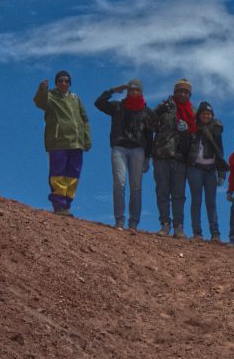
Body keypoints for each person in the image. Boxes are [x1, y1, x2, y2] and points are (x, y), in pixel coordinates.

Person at [95, 79, 154, 231]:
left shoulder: (147, 112)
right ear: (127, 91)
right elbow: (99, 103)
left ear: (141, 92)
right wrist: (113, 90)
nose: (134, 92)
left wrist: (148, 157)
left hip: (138, 150)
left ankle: (133, 223)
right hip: (119, 147)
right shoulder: (118, 107)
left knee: (136, 188)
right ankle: (119, 221)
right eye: (131, 89)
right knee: (119, 184)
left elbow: (149, 135)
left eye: (137, 90)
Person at [33, 70, 91, 216]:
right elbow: (39, 102)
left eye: (66, 81)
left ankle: (67, 205)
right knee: (57, 174)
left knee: (73, 175)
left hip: (76, 143)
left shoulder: (75, 98)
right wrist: (42, 89)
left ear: (70, 83)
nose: (63, 83)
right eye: (60, 81)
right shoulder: (50, 96)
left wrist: (86, 138)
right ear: (56, 83)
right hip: (58, 141)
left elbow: (84, 119)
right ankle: (59, 205)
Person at [150, 78, 196, 237]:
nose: (183, 94)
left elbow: (197, 134)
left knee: (179, 194)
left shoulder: (193, 111)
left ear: (189, 95)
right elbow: (150, 121)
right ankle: (164, 224)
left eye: (186, 92)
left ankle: (178, 226)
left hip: (181, 158)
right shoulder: (165, 107)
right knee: (162, 191)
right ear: (174, 92)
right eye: (180, 91)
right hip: (161, 155)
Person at [187, 102, 227, 242]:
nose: (206, 116)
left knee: (211, 202)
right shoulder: (192, 128)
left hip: (211, 169)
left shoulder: (216, 131)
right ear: (199, 114)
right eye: (204, 113)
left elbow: (220, 151)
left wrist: (221, 173)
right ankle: (197, 233)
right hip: (195, 168)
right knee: (196, 201)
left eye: (209, 114)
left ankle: (215, 234)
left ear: (212, 116)